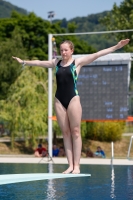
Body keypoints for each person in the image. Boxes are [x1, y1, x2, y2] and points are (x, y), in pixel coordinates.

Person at [12, 38, 130, 174]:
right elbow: (39, 62)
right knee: (66, 133)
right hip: (59, 100)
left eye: (66, 50)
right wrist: (24, 62)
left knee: (75, 132)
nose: (63, 52)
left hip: (73, 99)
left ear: (71, 51)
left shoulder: (77, 62)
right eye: (61, 50)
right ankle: (70, 166)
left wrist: (116, 46)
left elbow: (97, 54)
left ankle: (77, 166)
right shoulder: (56, 63)